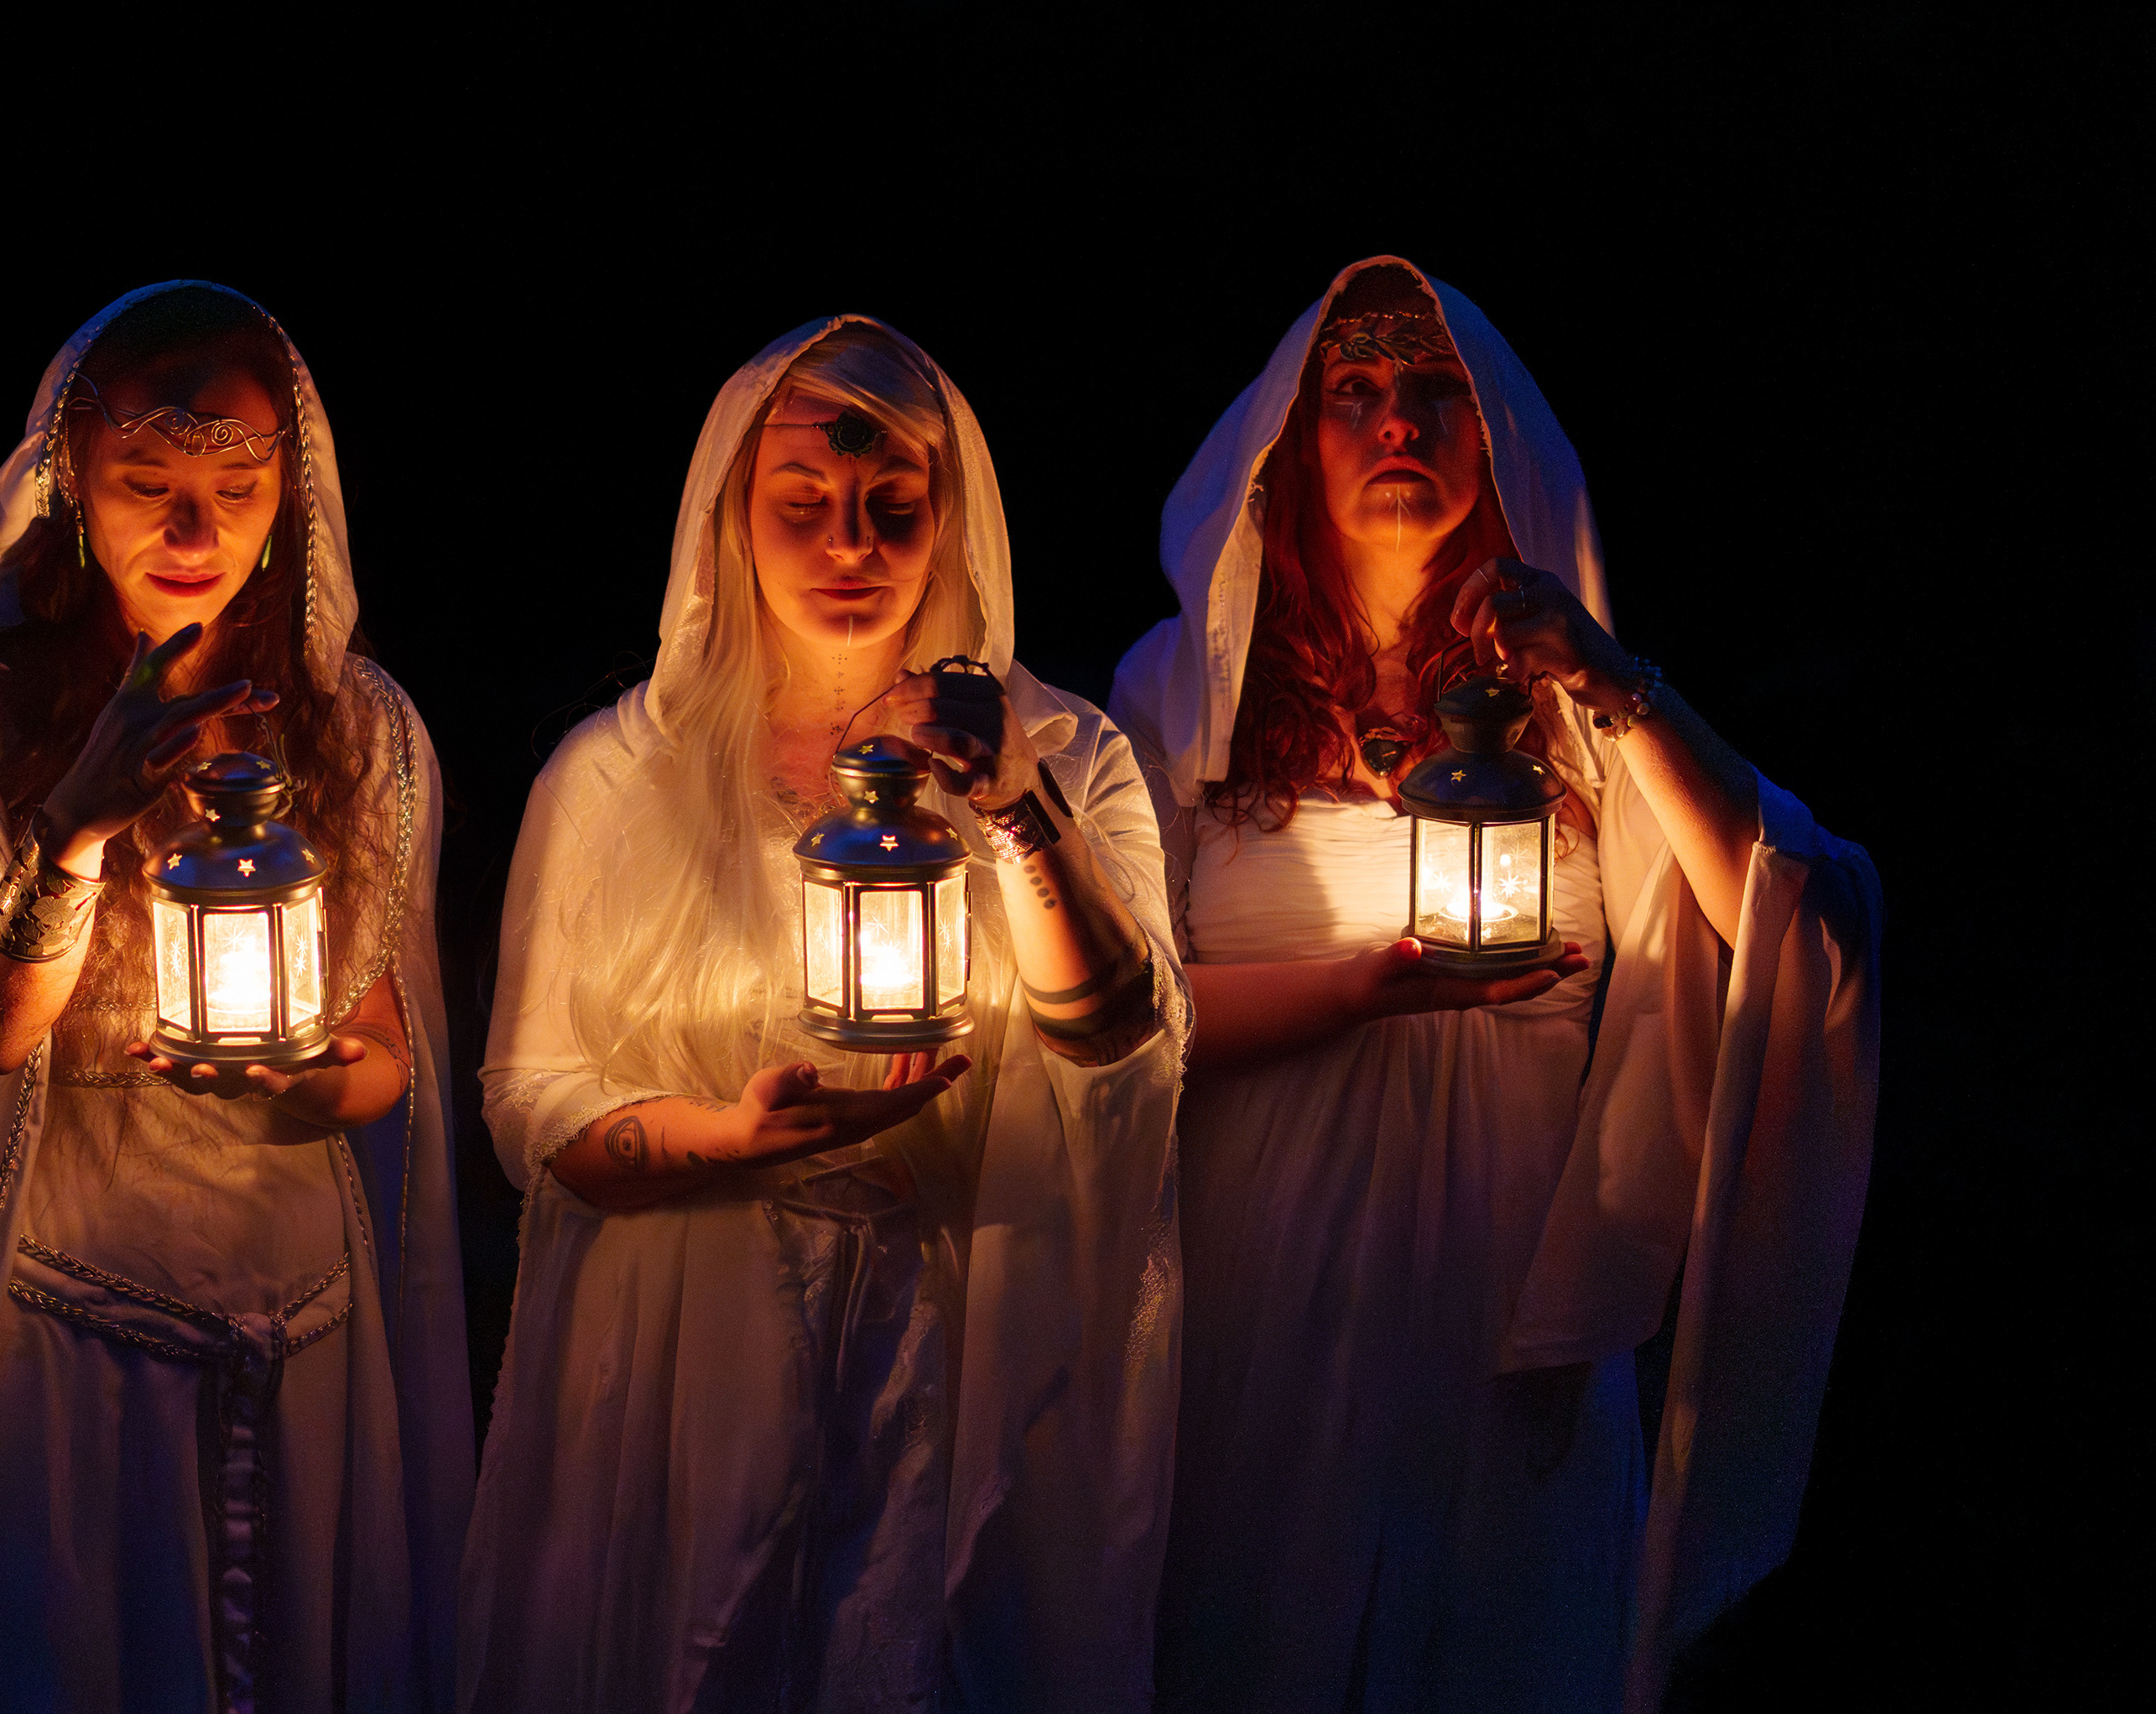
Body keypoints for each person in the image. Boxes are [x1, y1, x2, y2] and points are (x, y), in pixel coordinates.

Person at [1112, 258, 1881, 1711]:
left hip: (1503, 1298)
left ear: (1496, 436)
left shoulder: (1582, 715)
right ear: (1292, 444)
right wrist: (1360, 988)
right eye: (1353, 392)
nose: (1396, 419)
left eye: (1434, 390)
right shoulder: (1184, 695)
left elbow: (1790, 911)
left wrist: (1611, 680)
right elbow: (1119, 1021)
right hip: (1260, 1296)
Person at [461, 319, 1190, 1711]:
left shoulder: (1068, 754)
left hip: (952, 1340)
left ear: (951, 519)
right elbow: (530, 1103)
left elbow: (1123, 1046)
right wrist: (721, 1139)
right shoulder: (618, 778)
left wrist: (1011, 805)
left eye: (892, 504)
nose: (850, 541)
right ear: (732, 519)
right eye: (803, 504)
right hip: (690, 1348)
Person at [0, 283, 471, 1713]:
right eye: (148, 484)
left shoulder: (361, 728)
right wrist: (79, 823)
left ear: (287, 499)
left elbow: (384, 1053)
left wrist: (311, 1081)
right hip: (67, 1309)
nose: (192, 529)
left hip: (300, 1307)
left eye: (234, 491)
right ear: (69, 484)